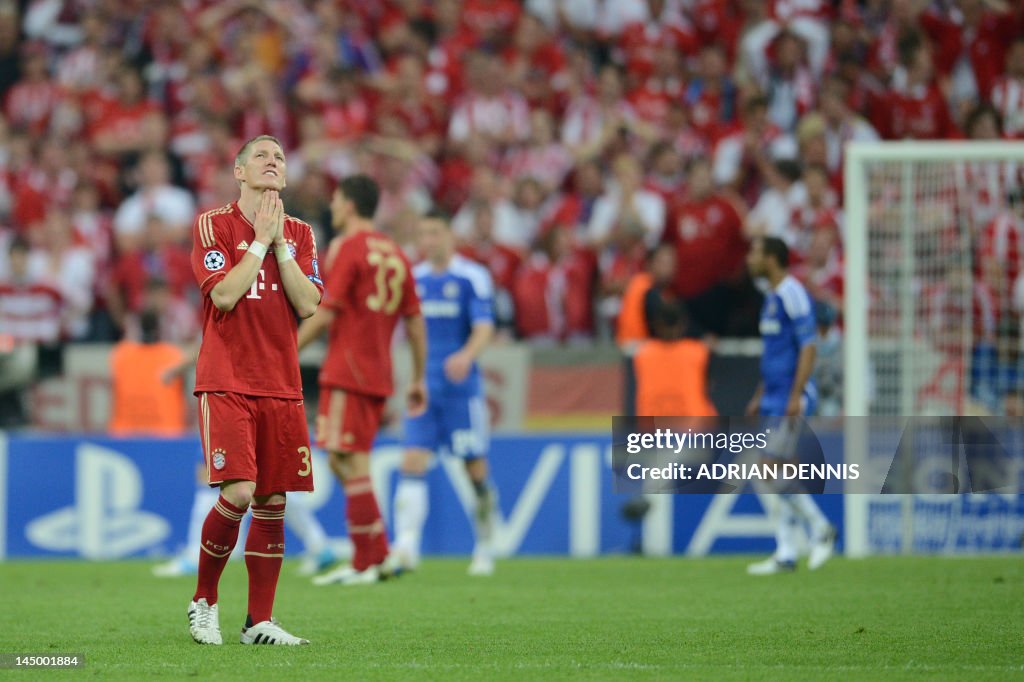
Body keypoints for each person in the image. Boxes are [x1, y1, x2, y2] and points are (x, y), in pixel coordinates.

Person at [187, 134, 323, 646]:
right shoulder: (213, 224)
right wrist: (261, 240)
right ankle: (204, 602)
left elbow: (308, 304)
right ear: (239, 171)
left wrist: (280, 242)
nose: (272, 162)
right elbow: (223, 294)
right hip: (227, 379)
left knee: (272, 500)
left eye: (280, 157)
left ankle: (259, 621)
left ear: (285, 178)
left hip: (281, 384)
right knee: (239, 492)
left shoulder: (303, 233)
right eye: (261, 156)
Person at [294, 174, 427, 586]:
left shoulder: (347, 248)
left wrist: (286, 352)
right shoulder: (395, 252)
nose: (332, 207)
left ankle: (370, 559)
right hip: (379, 373)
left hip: (347, 370)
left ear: (349, 205)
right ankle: (374, 556)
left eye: (335, 200)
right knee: (346, 459)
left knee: (347, 459)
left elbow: (328, 311)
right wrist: (417, 375)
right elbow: (414, 320)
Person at [391, 210, 498, 576]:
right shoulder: (413, 278)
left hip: (461, 390)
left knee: (475, 469)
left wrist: (467, 355)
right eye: (422, 234)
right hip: (423, 386)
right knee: (412, 461)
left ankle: (485, 545)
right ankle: (406, 547)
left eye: (434, 233)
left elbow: (484, 326)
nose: (428, 241)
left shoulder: (472, 276)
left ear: (450, 235)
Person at [744, 237, 836, 575]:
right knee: (781, 472)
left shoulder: (792, 292)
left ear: (771, 258)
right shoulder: (770, 297)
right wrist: (759, 394)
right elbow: (775, 354)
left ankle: (821, 528)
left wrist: (796, 394)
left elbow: (808, 345)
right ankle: (786, 552)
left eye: (754, 251)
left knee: (768, 468)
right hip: (773, 394)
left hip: (789, 395)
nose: (749, 257)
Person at [108, 307, 186, 437]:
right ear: (159, 329)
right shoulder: (174, 356)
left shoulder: (120, 354)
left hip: (125, 436)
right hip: (167, 435)